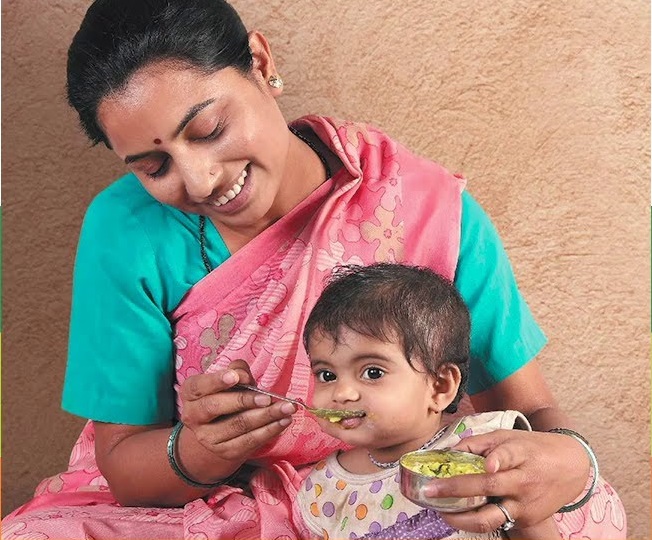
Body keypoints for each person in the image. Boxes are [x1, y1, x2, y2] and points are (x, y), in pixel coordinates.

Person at [1, 0, 626, 538]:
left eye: (210, 129)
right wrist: (201, 449)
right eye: (153, 167)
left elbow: (530, 414)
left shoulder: (424, 207)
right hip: (213, 511)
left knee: (586, 509)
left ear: (260, 62)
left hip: (394, 494)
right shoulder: (125, 228)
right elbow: (124, 468)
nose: (200, 179)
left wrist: (570, 465)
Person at [292, 262, 561, 540]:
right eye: (327, 375)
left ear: (440, 387)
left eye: (373, 372)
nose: (342, 393)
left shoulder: (485, 449)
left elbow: (534, 523)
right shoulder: (326, 488)